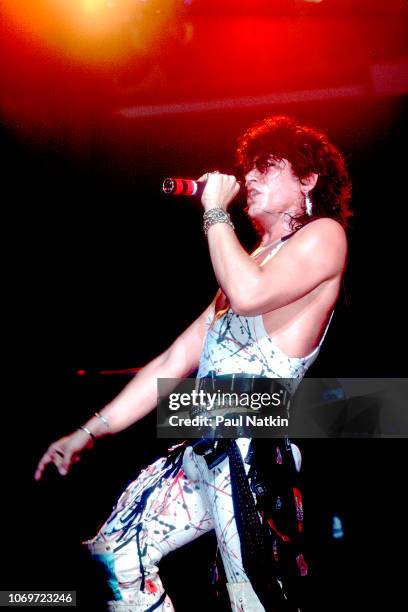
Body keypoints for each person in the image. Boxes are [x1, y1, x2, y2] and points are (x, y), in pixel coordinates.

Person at [35, 115, 352, 611]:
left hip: (253, 447)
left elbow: (251, 295)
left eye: (269, 167)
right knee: (116, 558)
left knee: (253, 597)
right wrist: (88, 431)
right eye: (250, 168)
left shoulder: (325, 236)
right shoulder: (244, 264)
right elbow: (174, 359)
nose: (251, 178)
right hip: (208, 442)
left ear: (308, 180)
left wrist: (213, 212)